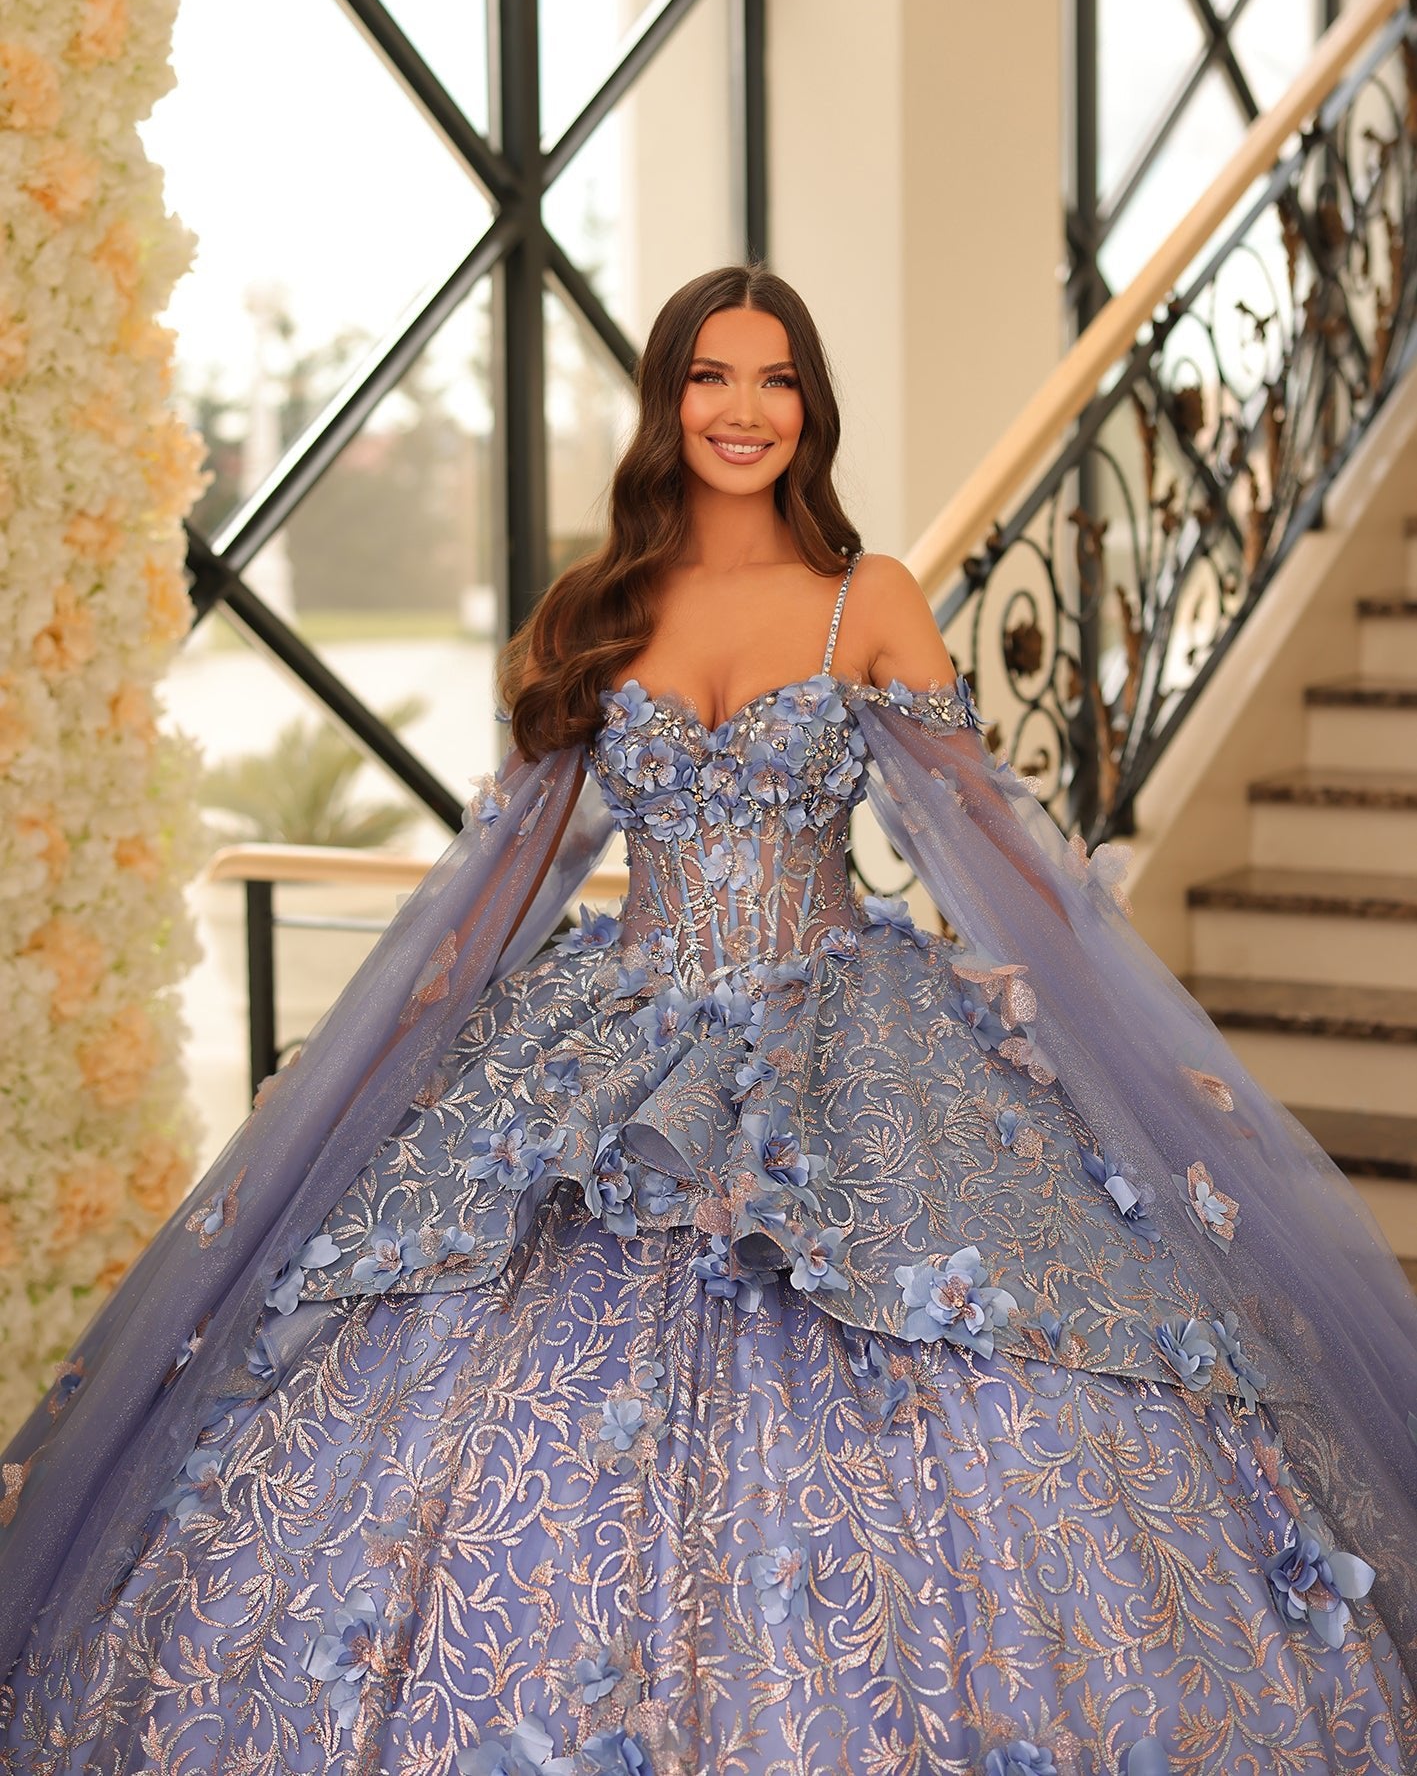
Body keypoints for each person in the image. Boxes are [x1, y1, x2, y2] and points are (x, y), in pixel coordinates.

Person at [3, 264, 1417, 1776]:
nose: (743, 411)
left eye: (775, 380)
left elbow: (989, 846)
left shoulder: (864, 600)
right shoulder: (596, 608)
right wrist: (385, 1051)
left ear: (807, 408)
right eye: (710, 378)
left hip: (841, 1029)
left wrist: (1094, 1020)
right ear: (666, 400)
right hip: (617, 1033)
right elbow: (511, 872)